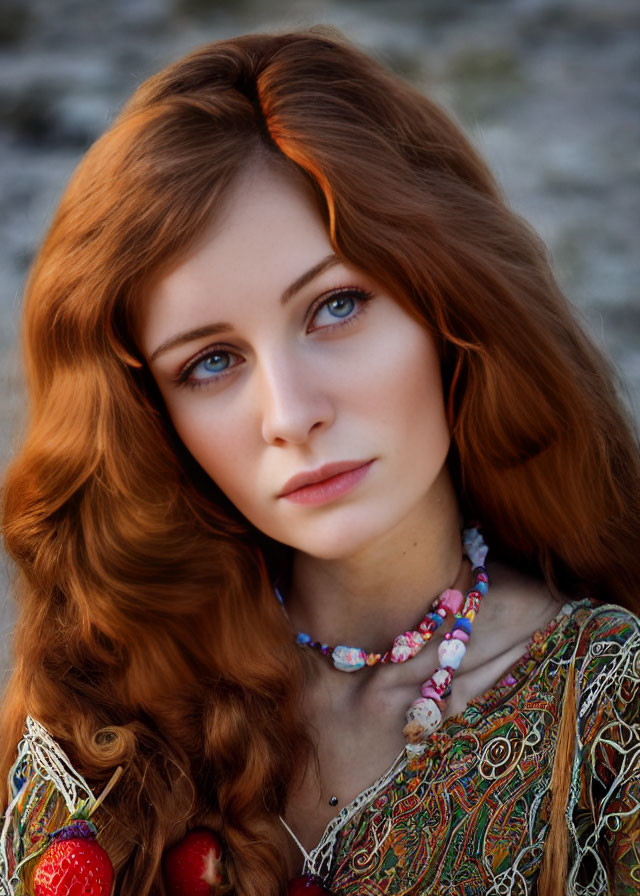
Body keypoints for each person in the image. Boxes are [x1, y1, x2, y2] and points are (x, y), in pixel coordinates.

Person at [0, 28, 639, 896]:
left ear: (451, 303)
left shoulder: (608, 712)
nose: (294, 416)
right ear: (155, 418)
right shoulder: (104, 722)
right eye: (210, 362)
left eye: (336, 306)